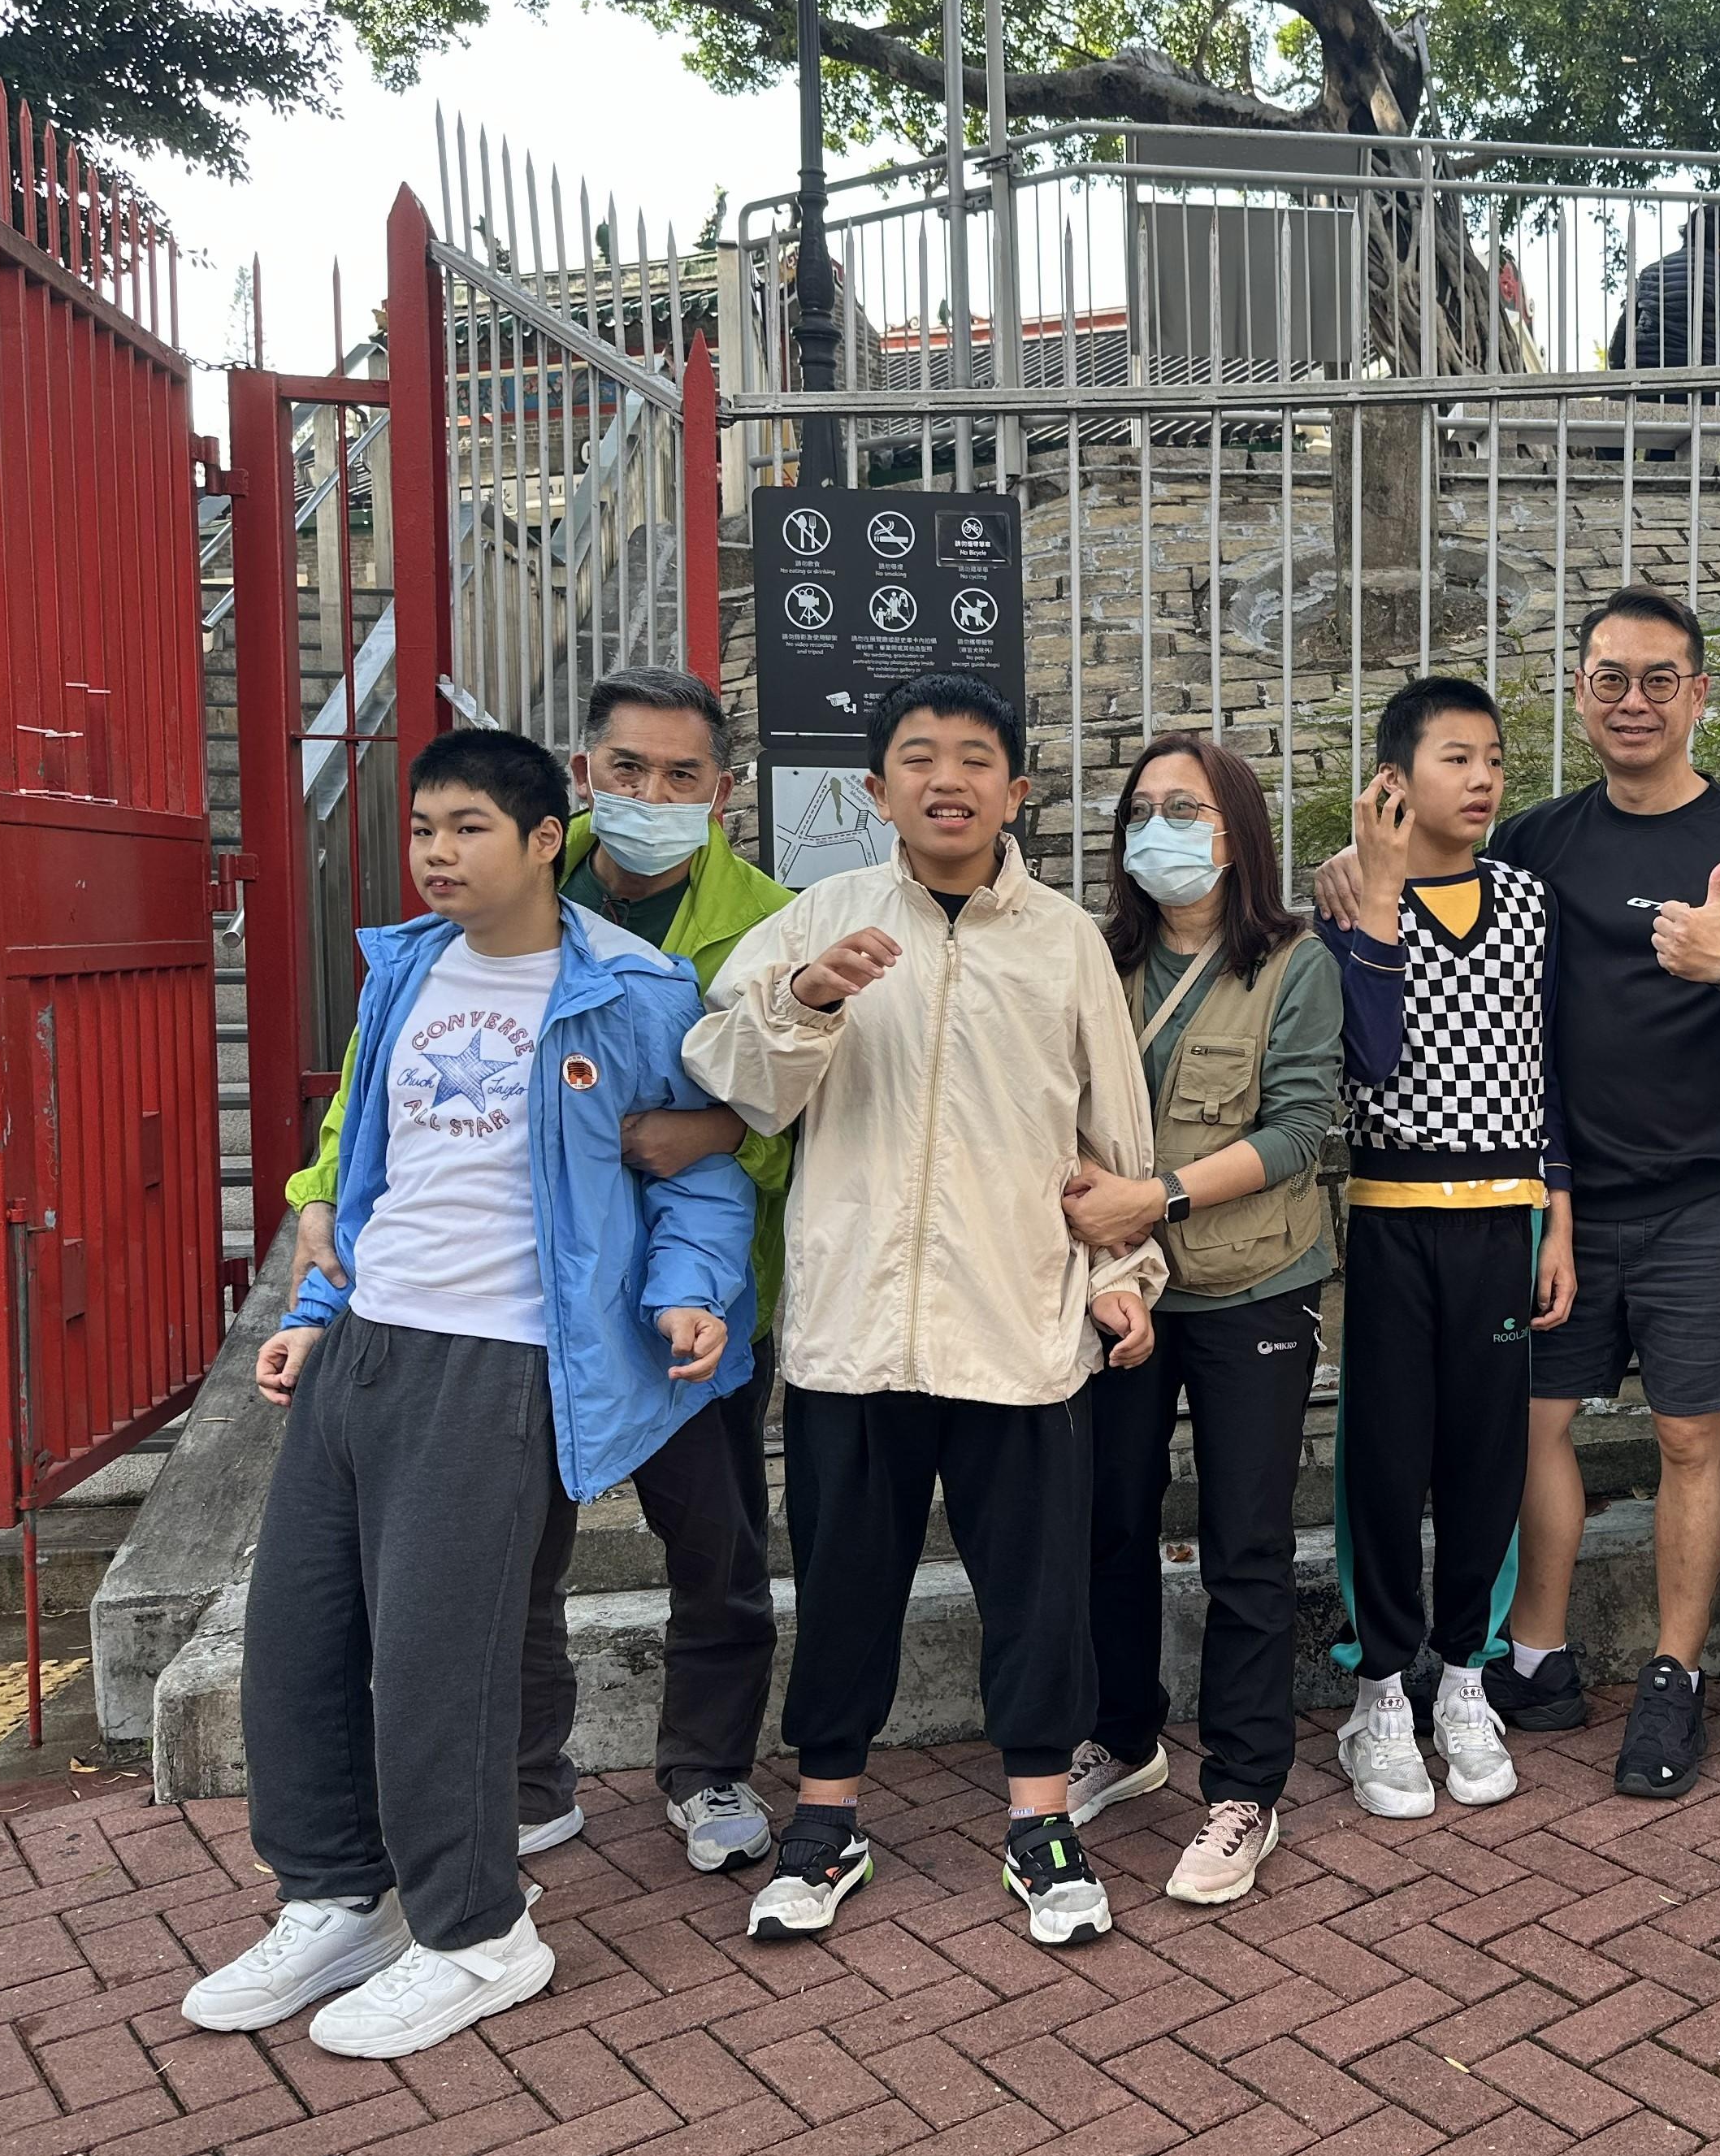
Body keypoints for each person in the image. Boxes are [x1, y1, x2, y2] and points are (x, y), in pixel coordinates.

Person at [183, 729, 752, 2058]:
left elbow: (705, 1173)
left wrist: (692, 1292)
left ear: (547, 839)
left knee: (440, 1660)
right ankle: (339, 1896)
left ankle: (479, 1931)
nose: (437, 854)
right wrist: (314, 1313)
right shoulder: (406, 968)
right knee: (300, 1641)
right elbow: (370, 1167)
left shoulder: (631, 988)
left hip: (500, 1360)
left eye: (468, 829)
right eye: (425, 828)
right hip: (367, 1344)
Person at [1311, 587, 1720, 1802]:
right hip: (1549, 1205)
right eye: (1610, 678)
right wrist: (1362, 872)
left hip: (1704, 1196)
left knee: (1690, 1435)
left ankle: (1673, 1674)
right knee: (1526, 1430)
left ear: (1700, 694)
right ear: (1583, 693)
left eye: (1659, 679)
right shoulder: (1537, 847)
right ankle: (1529, 1661)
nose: (1633, 701)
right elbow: (1430, 915)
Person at [282, 666, 795, 1876]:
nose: (652, 795)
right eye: (628, 769)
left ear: (722, 791)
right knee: (509, 1562)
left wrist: (716, 1132)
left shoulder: (772, 923)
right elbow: (385, 1097)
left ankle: (708, 1769)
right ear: (580, 780)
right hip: (526, 1317)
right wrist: (318, 1199)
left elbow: (813, 1108)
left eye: (681, 775)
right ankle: (528, 1781)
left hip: (690, 1304)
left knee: (714, 1548)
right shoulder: (504, 896)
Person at [686, 673, 1163, 1948]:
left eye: (974, 758)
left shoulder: (1065, 942)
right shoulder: (819, 919)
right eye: (917, 756)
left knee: (1037, 1593)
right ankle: (826, 1822)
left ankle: (1041, 1823)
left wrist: (1124, 1279)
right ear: (875, 788)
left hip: (1017, 1326)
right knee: (845, 1588)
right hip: (856, 1333)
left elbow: (1114, 1138)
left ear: (1017, 791)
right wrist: (809, 998)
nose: (946, 779)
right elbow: (737, 1083)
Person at [1059, 735, 1341, 1904]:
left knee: (1246, 1541)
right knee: (1108, 1520)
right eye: (1141, 811)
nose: (1157, 829)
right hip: (1120, 1288)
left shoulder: (1294, 963)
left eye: (1185, 809)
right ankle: (1124, 1736)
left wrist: (1158, 1196)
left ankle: (1244, 1788)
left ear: (1236, 831)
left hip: (1252, 1284)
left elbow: (1299, 1130)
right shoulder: (1094, 959)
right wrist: (1114, 1238)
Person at [1315, 678, 1573, 1817]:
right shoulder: (1341, 904)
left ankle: (1465, 1677)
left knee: (1486, 1457)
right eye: (1455, 758)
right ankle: (1378, 1689)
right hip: (1390, 1214)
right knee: (1382, 1456)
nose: (1482, 781)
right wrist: (1374, 896)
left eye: (1495, 760)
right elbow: (1367, 1059)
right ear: (1394, 779)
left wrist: (1559, 1218)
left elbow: (1550, 1071)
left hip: (1504, 1219)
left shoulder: (1528, 902)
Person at [1609, 203, 1720, 403]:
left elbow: (1624, 330)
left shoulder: (1653, 272)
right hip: (1711, 381)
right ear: (1719, 239)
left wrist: (1620, 376)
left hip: (1649, 377)